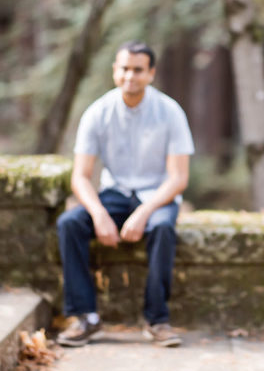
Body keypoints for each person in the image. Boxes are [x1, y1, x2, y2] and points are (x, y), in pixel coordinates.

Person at [56, 41, 194, 348]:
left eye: (137, 70)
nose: (129, 76)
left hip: (157, 195)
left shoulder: (170, 112)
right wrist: (99, 214)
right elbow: (80, 176)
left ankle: (157, 320)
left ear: (151, 73)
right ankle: (85, 318)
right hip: (114, 194)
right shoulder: (98, 112)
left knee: (161, 227)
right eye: (123, 69)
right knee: (70, 223)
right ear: (115, 71)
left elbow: (178, 178)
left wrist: (144, 212)